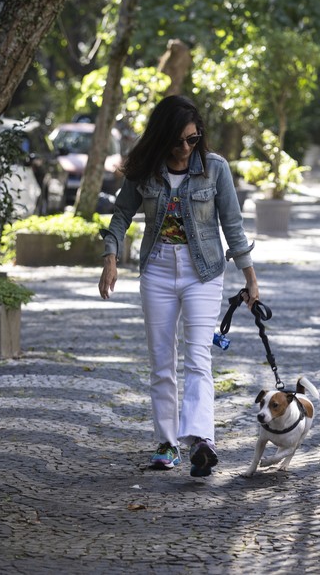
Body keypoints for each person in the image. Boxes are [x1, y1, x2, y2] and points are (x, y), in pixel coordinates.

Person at [98, 95, 259, 477]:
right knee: (161, 361)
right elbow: (121, 214)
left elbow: (233, 226)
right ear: (162, 138)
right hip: (156, 269)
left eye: (192, 139)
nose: (185, 147)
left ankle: (202, 440)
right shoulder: (146, 169)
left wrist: (251, 279)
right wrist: (110, 258)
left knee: (198, 357)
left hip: (202, 271)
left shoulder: (214, 168)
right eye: (178, 141)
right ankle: (167, 444)